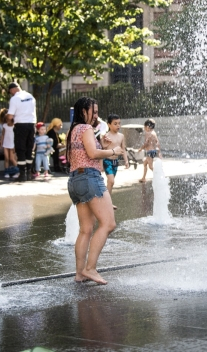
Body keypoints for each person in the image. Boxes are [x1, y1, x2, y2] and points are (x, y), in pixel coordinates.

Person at [66, 96, 122, 284]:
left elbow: (82, 155)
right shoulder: (87, 128)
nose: (96, 115)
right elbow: (92, 154)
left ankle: (80, 273)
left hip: (75, 181)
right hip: (89, 178)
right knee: (108, 224)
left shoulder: (72, 130)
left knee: (86, 230)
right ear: (84, 111)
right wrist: (112, 152)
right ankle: (90, 268)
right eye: (94, 111)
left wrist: (102, 146)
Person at [7, 82, 37, 180]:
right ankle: (29, 173)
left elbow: (10, 115)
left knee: (20, 149)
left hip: (20, 125)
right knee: (29, 149)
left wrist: (9, 122)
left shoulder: (14, 99)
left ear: (12, 90)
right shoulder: (30, 96)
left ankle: (22, 174)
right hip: (31, 125)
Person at [101, 114, 130, 209]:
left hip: (115, 162)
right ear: (109, 125)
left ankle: (105, 200)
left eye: (119, 123)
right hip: (107, 161)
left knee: (110, 183)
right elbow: (102, 149)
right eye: (115, 123)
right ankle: (107, 203)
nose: (118, 126)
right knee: (111, 181)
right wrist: (100, 164)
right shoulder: (106, 136)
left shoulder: (121, 136)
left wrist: (126, 161)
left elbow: (123, 149)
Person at [137, 119, 162, 183]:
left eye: (144, 127)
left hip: (149, 152)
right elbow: (157, 143)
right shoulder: (154, 133)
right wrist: (159, 152)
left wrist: (141, 148)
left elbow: (146, 143)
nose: (144, 128)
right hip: (153, 151)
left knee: (150, 166)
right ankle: (143, 178)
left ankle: (159, 176)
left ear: (148, 127)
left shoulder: (148, 133)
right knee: (145, 163)